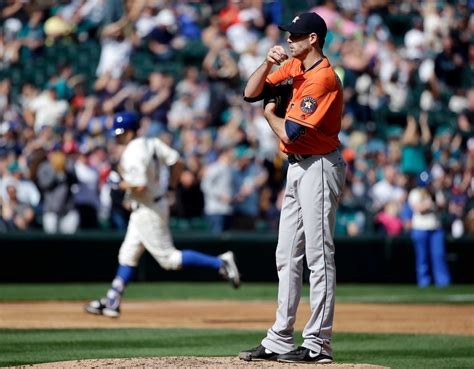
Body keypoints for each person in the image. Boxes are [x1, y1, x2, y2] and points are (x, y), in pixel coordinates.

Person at [239, 12, 346, 364]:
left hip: (318, 165)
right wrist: (264, 63)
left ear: (313, 39)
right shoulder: (295, 67)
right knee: (286, 255)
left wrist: (271, 113)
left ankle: (318, 343)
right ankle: (281, 338)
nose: (288, 39)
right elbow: (250, 92)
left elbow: (290, 132)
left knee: (319, 256)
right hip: (298, 167)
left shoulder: (323, 78)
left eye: (295, 35)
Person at [85, 112, 240, 318]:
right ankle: (113, 300)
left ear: (129, 132)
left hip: (147, 209)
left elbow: (139, 185)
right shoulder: (151, 143)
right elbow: (177, 162)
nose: (116, 137)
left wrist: (118, 184)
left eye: (120, 133)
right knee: (128, 255)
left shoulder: (132, 152)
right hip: (150, 205)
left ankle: (220, 263)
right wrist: (171, 187)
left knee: (169, 259)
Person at [408, 171, 451, 288]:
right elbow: (418, 208)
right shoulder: (415, 193)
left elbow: (442, 206)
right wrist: (429, 204)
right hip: (420, 229)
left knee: (439, 256)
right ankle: (424, 283)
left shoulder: (436, 192)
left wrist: (435, 203)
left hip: (435, 229)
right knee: (422, 258)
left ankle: (443, 283)